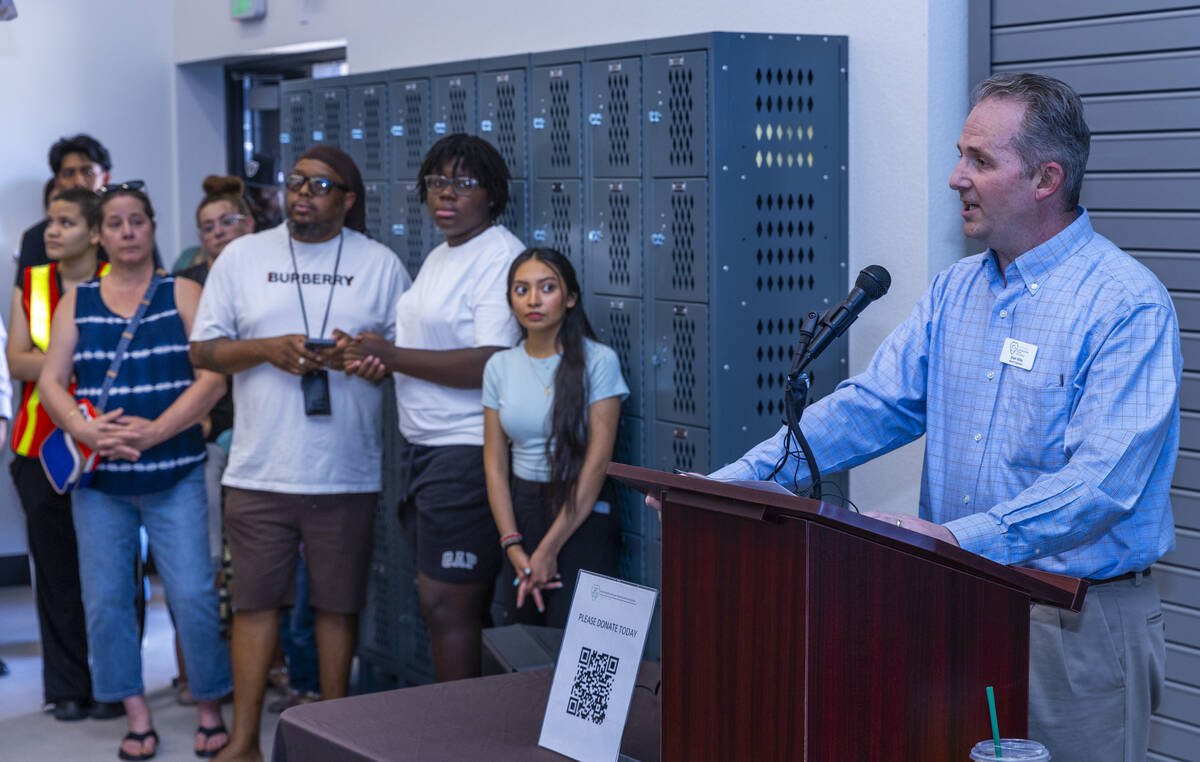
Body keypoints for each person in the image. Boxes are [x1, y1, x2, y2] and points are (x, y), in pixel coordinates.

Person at [662, 73, 1179, 762]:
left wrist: (956, 540)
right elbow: (872, 408)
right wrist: (732, 486)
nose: (955, 178)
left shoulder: (1124, 304)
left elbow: (1102, 483)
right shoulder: (956, 289)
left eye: (981, 161)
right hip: (952, 607)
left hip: (1073, 624)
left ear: (1046, 178)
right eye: (960, 155)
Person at [189, 145, 409, 762]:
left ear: (348, 199)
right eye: (296, 182)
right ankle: (243, 745)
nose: (303, 193)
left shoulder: (381, 265)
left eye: (320, 184)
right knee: (256, 605)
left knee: (338, 607)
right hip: (260, 469)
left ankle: (334, 743)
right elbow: (202, 352)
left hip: (346, 470)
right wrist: (265, 349)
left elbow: (401, 361)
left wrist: (366, 358)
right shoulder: (242, 256)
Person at [38, 182, 232, 760]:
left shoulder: (185, 292)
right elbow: (50, 381)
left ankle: (209, 704)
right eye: (115, 223)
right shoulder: (78, 300)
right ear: (98, 235)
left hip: (175, 472)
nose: (127, 232)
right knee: (107, 601)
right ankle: (136, 712)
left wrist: (156, 431)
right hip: (101, 484)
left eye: (137, 221)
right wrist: (82, 427)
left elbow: (213, 378)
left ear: (152, 227)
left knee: (195, 595)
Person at [342, 133, 525, 682]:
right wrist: (377, 358)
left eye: (463, 183)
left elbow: (491, 362)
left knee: (449, 606)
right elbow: (420, 351)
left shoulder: (499, 255)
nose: (445, 195)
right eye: (436, 182)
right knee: (440, 605)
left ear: (491, 195)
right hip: (421, 446)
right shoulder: (443, 254)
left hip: (465, 450)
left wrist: (393, 355)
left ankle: (460, 736)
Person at [6, 189, 111, 722]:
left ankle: (116, 683)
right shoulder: (35, 284)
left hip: (109, 445)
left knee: (114, 572)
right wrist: (69, 362)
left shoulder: (122, 281)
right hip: (40, 449)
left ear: (94, 234)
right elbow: (18, 362)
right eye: (50, 221)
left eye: (65, 222)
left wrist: (51, 363)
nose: (50, 232)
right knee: (55, 574)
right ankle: (68, 687)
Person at [482, 248, 627, 626]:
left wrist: (547, 549)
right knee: (522, 640)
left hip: (582, 513)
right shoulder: (500, 366)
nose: (533, 300)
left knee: (576, 641)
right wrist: (513, 544)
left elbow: (596, 466)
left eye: (547, 288)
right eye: (521, 289)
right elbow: (495, 464)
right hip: (522, 512)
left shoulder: (599, 361)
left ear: (571, 297)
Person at [170, 175, 255, 705]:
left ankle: (266, 668)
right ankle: (196, 674)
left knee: (254, 564)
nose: (219, 232)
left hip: (263, 434)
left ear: (251, 224)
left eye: (230, 221)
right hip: (206, 435)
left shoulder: (270, 271)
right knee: (201, 563)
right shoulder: (187, 283)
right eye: (208, 226)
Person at [14, 134, 111, 284]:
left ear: (105, 178)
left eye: (88, 172)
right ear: (57, 182)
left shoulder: (125, 230)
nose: (79, 182)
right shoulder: (36, 237)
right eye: (69, 173)